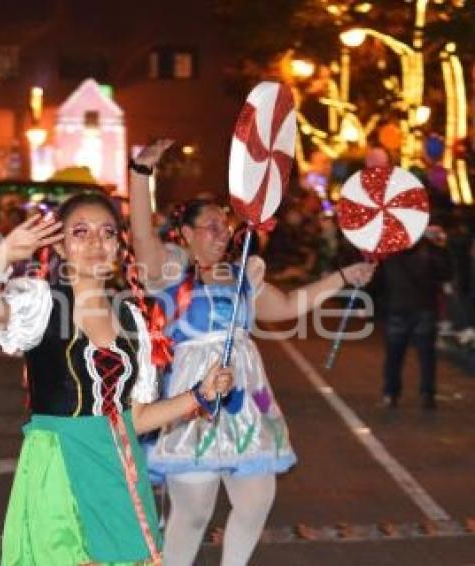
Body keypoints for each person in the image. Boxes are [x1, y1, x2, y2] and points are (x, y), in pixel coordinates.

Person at [128, 140, 376, 566]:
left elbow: (286, 308)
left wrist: (342, 277)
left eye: (225, 225)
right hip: (194, 399)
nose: (222, 232)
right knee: (193, 512)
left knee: (258, 497)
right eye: (209, 226)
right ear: (185, 234)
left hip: (246, 398)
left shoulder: (244, 273)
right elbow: (140, 231)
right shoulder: (169, 269)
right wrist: (140, 173)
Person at [0, 192, 234, 565]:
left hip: (118, 468)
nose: (95, 242)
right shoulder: (40, 302)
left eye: (107, 232)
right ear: (59, 245)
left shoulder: (132, 319)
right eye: (81, 232)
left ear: (118, 246)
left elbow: (135, 419)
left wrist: (198, 395)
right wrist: (1, 257)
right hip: (59, 467)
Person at [377, 223, 453, 409]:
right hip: (424, 306)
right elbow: (446, 273)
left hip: (397, 306)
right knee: (426, 355)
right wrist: (441, 247)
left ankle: (390, 393)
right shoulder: (431, 251)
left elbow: (380, 282)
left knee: (394, 355)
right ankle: (427, 394)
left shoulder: (389, 253)